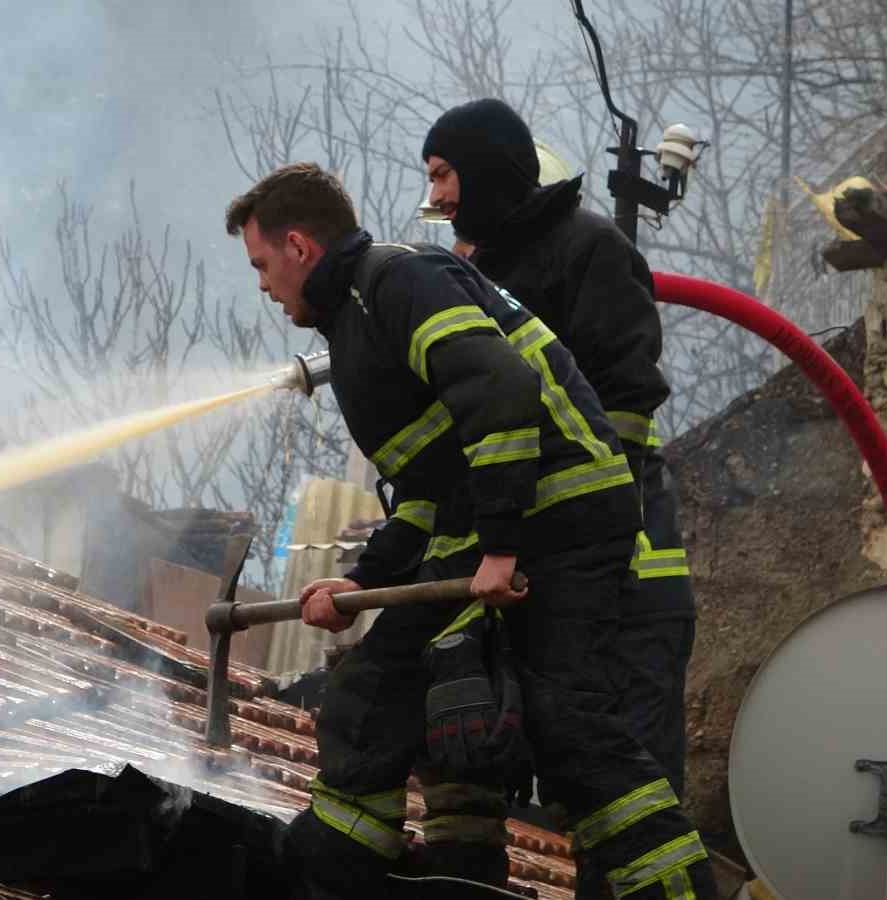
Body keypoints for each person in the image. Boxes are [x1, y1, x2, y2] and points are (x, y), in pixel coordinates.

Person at [226, 161, 716, 899]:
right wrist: (361, 582)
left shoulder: (399, 281)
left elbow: (502, 388)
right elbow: (431, 493)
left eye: (262, 264)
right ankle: (370, 874)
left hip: (565, 518)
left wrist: (501, 546)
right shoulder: (360, 321)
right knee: (378, 693)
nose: (262, 284)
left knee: (564, 725)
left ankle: (674, 889)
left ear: (298, 246)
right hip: (506, 526)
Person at [421, 99, 696, 802]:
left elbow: (626, 406)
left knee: (626, 780)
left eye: (446, 174)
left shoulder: (591, 250)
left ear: (486, 171)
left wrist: (601, 538)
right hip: (546, 574)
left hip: (629, 582)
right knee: (554, 779)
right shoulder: (478, 276)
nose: (438, 197)